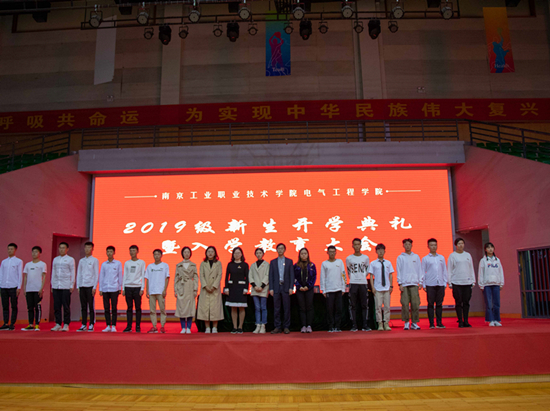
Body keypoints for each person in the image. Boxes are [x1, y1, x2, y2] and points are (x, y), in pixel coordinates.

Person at [448, 238, 476, 328]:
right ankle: (460, 321)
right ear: (456, 245)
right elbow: (449, 269)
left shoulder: (468, 255)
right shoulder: (452, 255)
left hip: (467, 282)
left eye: (462, 243)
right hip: (456, 282)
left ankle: (466, 321)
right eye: (459, 243)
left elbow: (471, 268)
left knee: (466, 302)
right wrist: (449, 282)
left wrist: (473, 280)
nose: (461, 245)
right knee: (458, 302)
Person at [396, 238, 423, 331]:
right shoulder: (400, 257)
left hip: (414, 283)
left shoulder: (416, 257)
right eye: (406, 244)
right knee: (405, 304)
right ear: (403, 245)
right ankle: (406, 322)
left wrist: (420, 281)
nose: (407, 246)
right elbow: (398, 270)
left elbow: (419, 269)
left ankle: (414, 322)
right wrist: (400, 283)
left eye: (409, 244)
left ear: (412, 245)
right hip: (404, 284)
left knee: (415, 303)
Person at [421, 238, 448, 329]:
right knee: (430, 304)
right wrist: (424, 284)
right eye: (431, 245)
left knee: (439, 304)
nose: (433, 247)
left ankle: (439, 322)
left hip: (440, 284)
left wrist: (445, 282)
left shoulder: (441, 258)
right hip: (430, 284)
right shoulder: (425, 259)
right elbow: (422, 272)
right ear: (428, 246)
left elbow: (444, 271)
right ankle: (431, 323)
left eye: (435, 245)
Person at [196, 246, 224, 333]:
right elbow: (201, 275)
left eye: (212, 251)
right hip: (205, 289)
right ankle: (207, 327)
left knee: (215, 308)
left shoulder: (218, 263)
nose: (210, 253)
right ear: (206, 253)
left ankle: (215, 327)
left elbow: (219, 275)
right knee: (205, 308)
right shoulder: (203, 263)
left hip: (215, 289)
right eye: (208, 251)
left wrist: (214, 286)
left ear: (215, 253)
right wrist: (205, 286)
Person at [346, 238, 370, 332]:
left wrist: (362, 276)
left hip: (363, 283)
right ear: (352, 246)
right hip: (353, 283)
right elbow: (348, 271)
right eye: (355, 244)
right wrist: (353, 278)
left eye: (358, 244)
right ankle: (354, 325)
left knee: (364, 305)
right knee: (353, 305)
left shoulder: (365, 258)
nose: (356, 246)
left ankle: (365, 324)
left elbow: (367, 270)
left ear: (361, 246)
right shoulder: (349, 258)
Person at [368, 244, 394, 331]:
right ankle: (380, 324)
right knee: (378, 307)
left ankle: (386, 323)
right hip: (377, 288)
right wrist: (372, 287)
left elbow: (390, 275)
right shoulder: (373, 263)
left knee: (387, 307)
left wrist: (391, 286)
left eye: (382, 250)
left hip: (386, 288)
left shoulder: (388, 263)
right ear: (376, 251)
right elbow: (371, 276)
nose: (380, 252)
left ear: (384, 251)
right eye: (379, 250)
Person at [269, 243, 293, 334]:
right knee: (276, 308)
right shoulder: (273, 262)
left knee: (286, 308)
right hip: (276, 287)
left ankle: (286, 327)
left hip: (286, 287)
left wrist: (291, 287)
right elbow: (271, 276)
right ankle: (277, 327)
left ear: (284, 250)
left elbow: (291, 275)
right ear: (276, 250)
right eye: (278, 248)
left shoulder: (289, 261)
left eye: (282, 248)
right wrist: (271, 288)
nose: (280, 250)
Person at [51, 242, 75, 332]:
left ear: (67, 249)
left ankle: (66, 324)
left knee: (66, 306)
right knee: (56, 306)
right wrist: (52, 284)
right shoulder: (55, 259)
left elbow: (72, 272)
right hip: (56, 285)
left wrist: (71, 284)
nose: (61, 249)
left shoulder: (70, 259)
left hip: (66, 286)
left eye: (63, 248)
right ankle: (58, 323)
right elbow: (53, 272)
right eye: (60, 248)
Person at [321, 245, 346, 333]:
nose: (332, 253)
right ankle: (331, 326)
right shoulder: (324, 263)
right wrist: (323, 290)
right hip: (329, 290)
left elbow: (343, 274)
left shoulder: (340, 262)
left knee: (338, 309)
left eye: (333, 252)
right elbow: (322, 277)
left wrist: (343, 288)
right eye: (330, 252)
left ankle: (337, 326)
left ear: (336, 252)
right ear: (327, 253)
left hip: (338, 289)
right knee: (330, 309)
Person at [478, 242, 504, 327]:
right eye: (488, 248)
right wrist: (481, 284)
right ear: (485, 249)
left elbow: (500, 272)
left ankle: (496, 319)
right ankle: (490, 320)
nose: (490, 249)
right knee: (489, 303)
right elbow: (480, 273)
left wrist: (501, 283)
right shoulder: (483, 261)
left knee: (497, 303)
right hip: (487, 284)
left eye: (492, 247)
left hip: (496, 283)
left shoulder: (497, 260)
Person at [224, 247, 249, 334]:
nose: (237, 255)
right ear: (233, 255)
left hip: (241, 288)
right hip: (232, 288)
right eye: (235, 253)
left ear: (241, 254)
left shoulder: (245, 265)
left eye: (238, 253)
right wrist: (226, 288)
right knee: (233, 308)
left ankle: (240, 327)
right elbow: (226, 277)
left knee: (241, 308)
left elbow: (247, 278)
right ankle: (234, 327)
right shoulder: (230, 264)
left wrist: (246, 288)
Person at [21, 246, 46, 331]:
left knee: (37, 307)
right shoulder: (28, 265)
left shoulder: (42, 264)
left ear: (39, 253)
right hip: (29, 289)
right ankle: (30, 324)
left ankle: (37, 325)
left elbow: (44, 276)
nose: (34, 253)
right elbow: (25, 277)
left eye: (36, 252)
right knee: (30, 307)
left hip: (37, 289)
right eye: (33, 252)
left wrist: (41, 288)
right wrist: (24, 288)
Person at [145, 249, 170, 333]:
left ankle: (162, 326)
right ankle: (154, 326)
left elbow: (167, 278)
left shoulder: (165, 265)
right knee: (152, 310)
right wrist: (147, 290)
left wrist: (165, 290)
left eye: (158, 254)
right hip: (152, 291)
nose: (156, 256)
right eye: (155, 254)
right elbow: (147, 279)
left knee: (162, 310)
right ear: (153, 255)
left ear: (161, 255)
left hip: (160, 291)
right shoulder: (150, 266)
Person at [174, 246, 198, 334]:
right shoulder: (179, 265)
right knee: (181, 307)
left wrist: (195, 289)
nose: (186, 254)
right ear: (182, 254)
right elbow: (176, 278)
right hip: (181, 287)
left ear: (190, 254)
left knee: (190, 308)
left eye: (188, 252)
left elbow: (196, 278)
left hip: (190, 287)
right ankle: (183, 327)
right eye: (185, 252)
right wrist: (175, 290)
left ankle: (188, 327)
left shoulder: (193, 265)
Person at [76, 241, 99, 332]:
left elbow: (96, 274)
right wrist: (78, 286)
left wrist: (94, 287)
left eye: (89, 247)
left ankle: (92, 324)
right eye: (86, 247)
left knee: (91, 306)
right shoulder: (81, 261)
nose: (87, 249)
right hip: (82, 285)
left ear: (92, 249)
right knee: (83, 306)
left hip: (90, 286)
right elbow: (79, 273)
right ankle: (84, 324)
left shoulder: (94, 260)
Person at [99, 246, 123, 332]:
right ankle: (108, 325)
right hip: (105, 288)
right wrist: (100, 288)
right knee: (106, 308)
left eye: (111, 251)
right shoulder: (104, 264)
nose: (109, 253)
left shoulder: (118, 263)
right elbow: (101, 276)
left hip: (114, 288)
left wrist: (120, 287)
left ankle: (113, 326)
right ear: (106, 253)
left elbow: (120, 275)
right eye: (108, 251)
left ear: (114, 253)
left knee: (114, 308)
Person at [122, 245, 146, 333]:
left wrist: (142, 288)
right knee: (129, 308)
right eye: (131, 250)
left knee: (138, 308)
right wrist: (123, 288)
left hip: (137, 287)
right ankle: (129, 326)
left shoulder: (141, 262)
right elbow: (125, 275)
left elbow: (143, 275)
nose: (132, 252)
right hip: (128, 286)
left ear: (137, 251)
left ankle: (138, 326)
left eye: (134, 250)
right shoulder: (127, 263)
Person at [0, 243, 23, 331]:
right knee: (5, 305)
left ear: (15, 250)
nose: (9, 251)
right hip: (4, 286)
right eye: (8, 249)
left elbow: (19, 275)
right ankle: (5, 323)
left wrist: (19, 287)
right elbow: (1, 274)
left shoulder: (18, 261)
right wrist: (1, 285)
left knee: (14, 305)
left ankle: (12, 323)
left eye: (11, 249)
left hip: (13, 286)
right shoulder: (4, 262)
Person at [294, 247, 316, 333]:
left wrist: (308, 286)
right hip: (300, 289)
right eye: (302, 253)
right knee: (301, 307)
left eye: (305, 253)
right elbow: (294, 278)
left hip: (309, 289)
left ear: (308, 255)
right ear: (299, 255)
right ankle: (303, 325)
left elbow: (314, 277)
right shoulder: (296, 266)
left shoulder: (312, 265)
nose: (303, 255)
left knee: (309, 307)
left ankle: (309, 325)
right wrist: (299, 286)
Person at [249, 248, 269, 334]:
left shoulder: (267, 264)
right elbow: (250, 276)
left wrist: (262, 286)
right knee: (257, 308)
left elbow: (267, 275)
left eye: (260, 253)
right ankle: (257, 325)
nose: (258, 254)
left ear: (263, 254)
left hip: (263, 289)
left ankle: (263, 325)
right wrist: (254, 286)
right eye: (257, 253)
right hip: (255, 289)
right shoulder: (253, 265)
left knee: (263, 307)